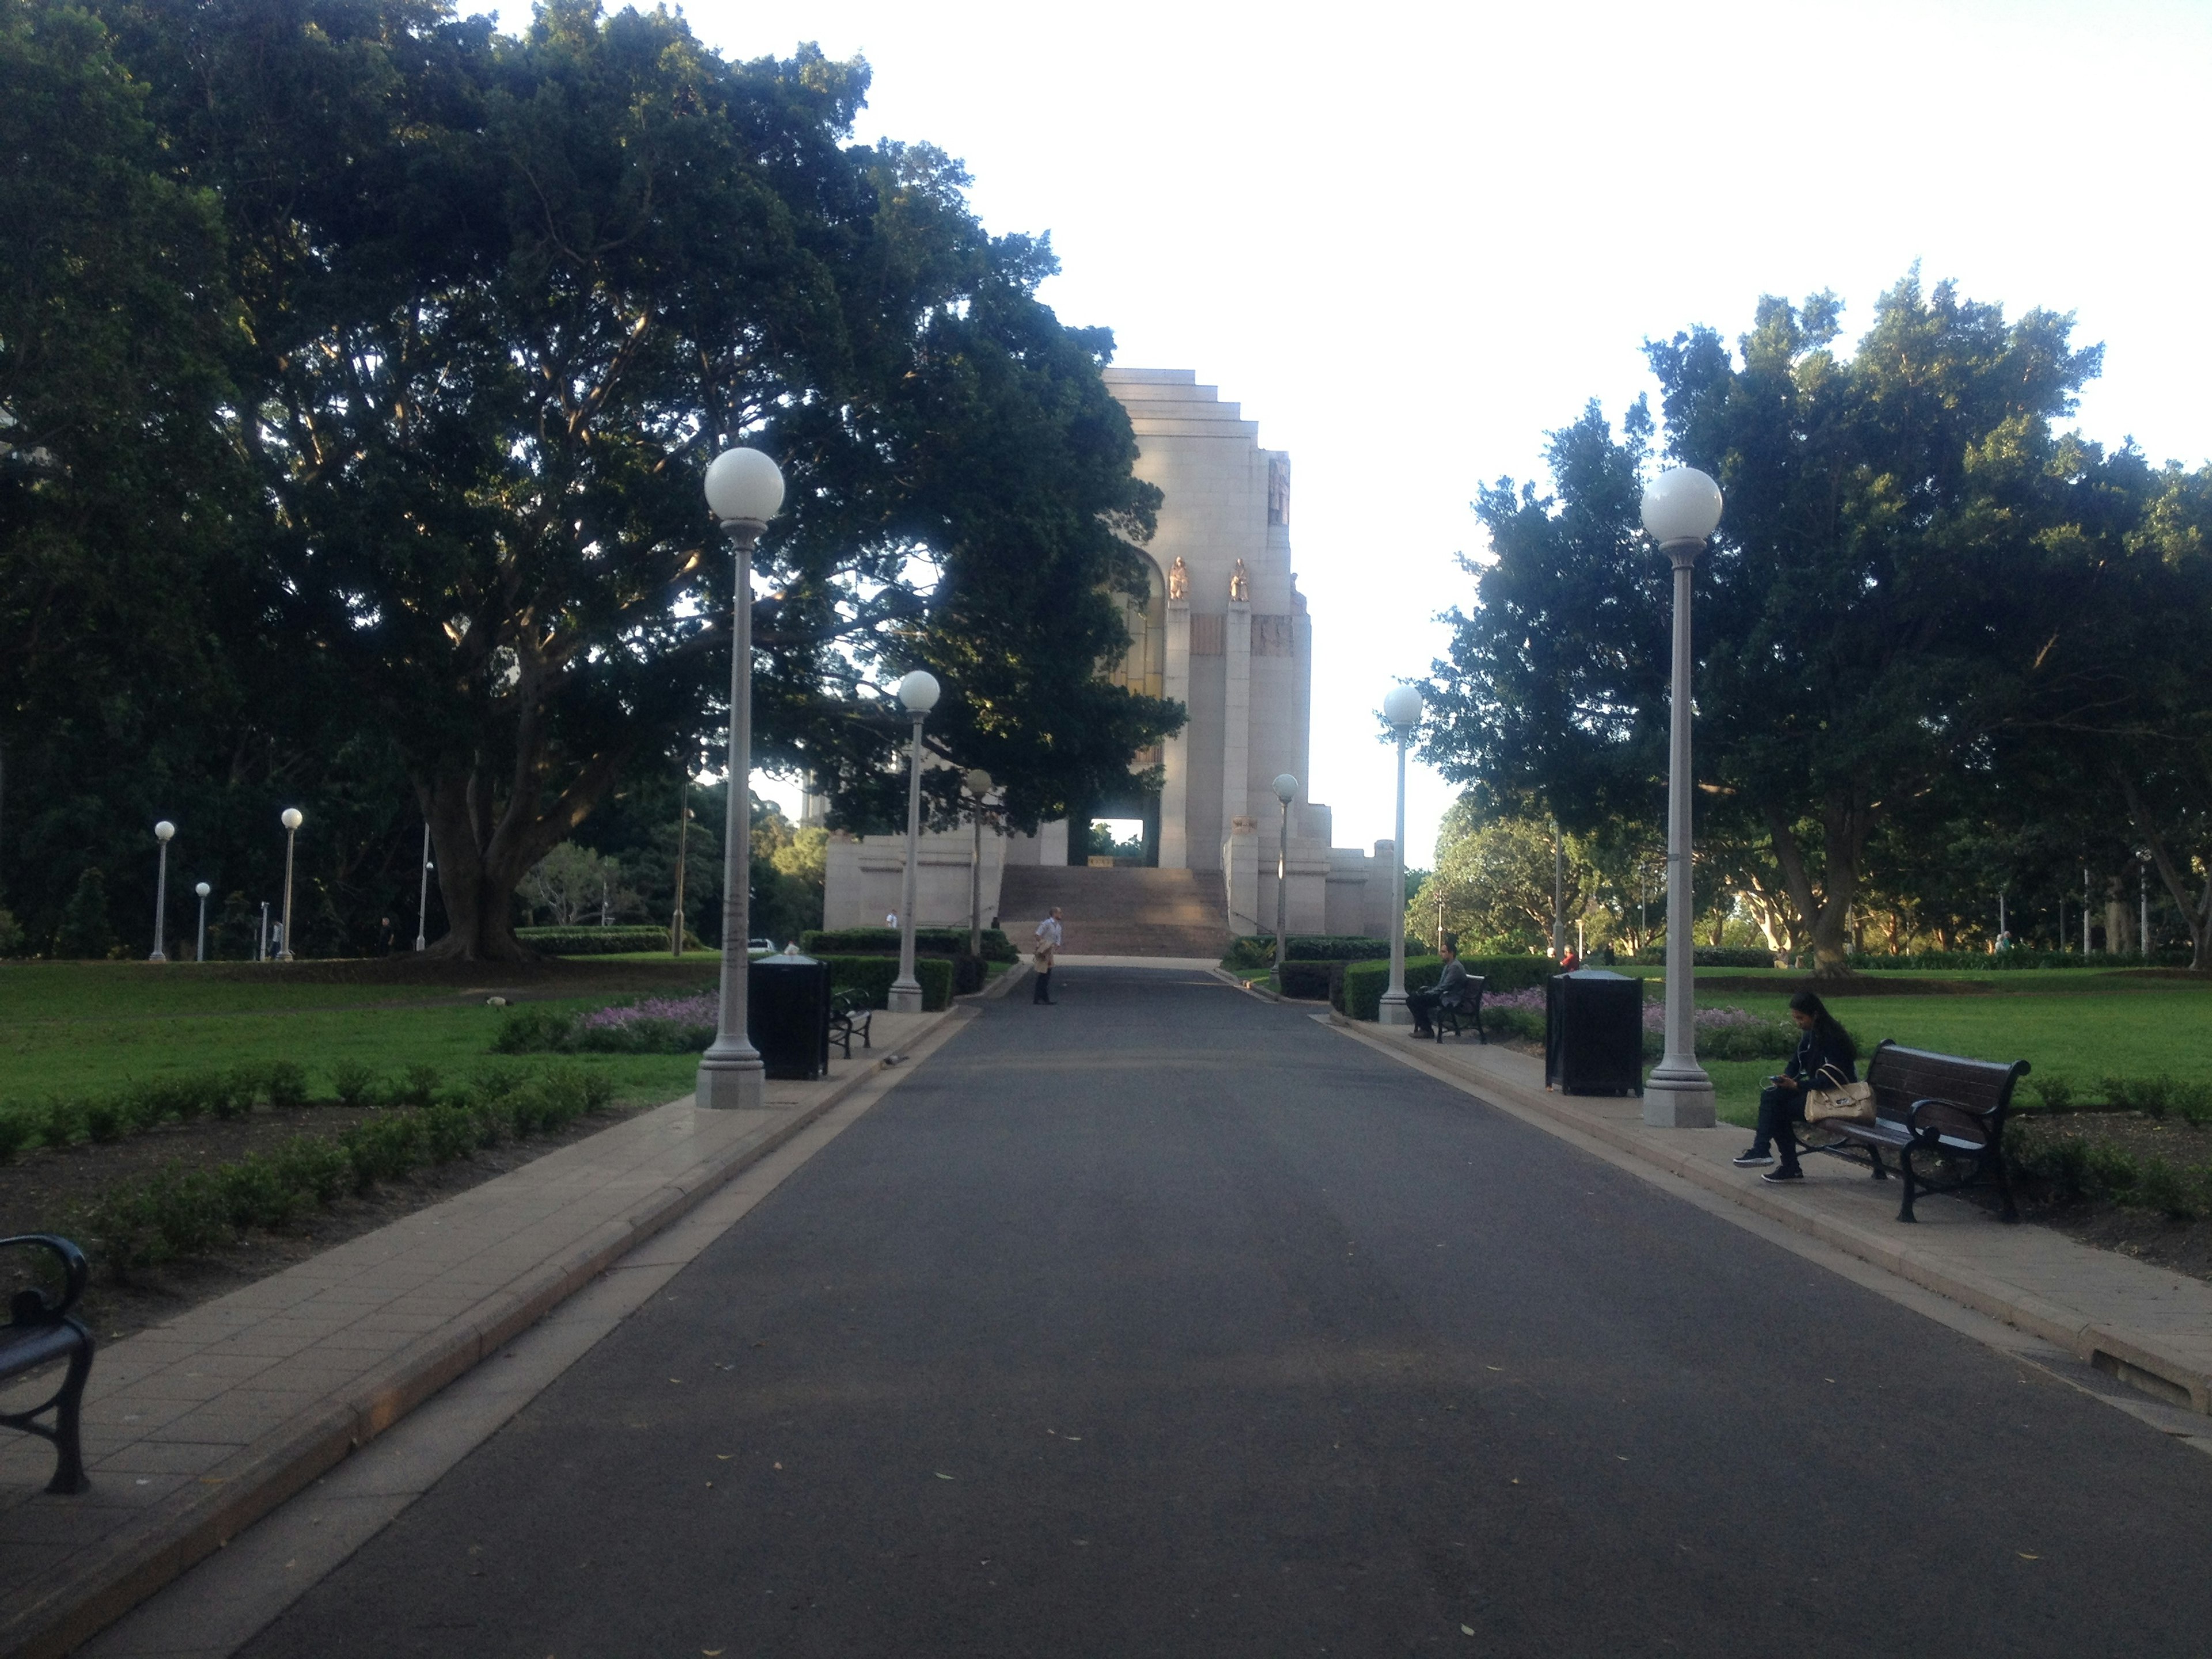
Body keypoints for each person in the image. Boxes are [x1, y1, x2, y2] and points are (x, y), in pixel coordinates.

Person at [1733, 990, 1858, 1181]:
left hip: (1836, 1098)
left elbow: (1834, 1079)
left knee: (1778, 1109)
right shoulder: (1810, 1036)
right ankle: (1762, 1150)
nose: (1798, 1023)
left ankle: (1786, 1164)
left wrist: (1798, 1086)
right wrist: (1786, 1079)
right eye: (1795, 1018)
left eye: (1801, 1018)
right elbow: (1795, 1063)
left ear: (1815, 1015)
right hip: (1817, 1093)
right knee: (1772, 1096)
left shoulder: (1833, 1038)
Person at [1406, 942, 1470, 1037]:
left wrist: (1429, 993)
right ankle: (1425, 1028)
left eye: (1444, 952)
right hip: (1444, 995)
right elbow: (1442, 986)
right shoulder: (1449, 966)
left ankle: (1427, 1030)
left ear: (1451, 953)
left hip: (1450, 999)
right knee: (1413, 998)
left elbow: (1444, 986)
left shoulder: (1455, 967)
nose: (1441, 954)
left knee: (1415, 1000)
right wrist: (1429, 992)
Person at [1032, 907, 1063, 1003]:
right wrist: (1043, 945)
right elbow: (1038, 934)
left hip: (1050, 952)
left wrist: (1057, 945)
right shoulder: (1047, 923)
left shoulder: (1058, 926)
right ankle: (1041, 997)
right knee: (1043, 974)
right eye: (1059, 913)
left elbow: (1058, 938)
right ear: (1054, 913)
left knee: (1046, 974)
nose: (1061, 914)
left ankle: (1040, 997)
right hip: (1045, 951)